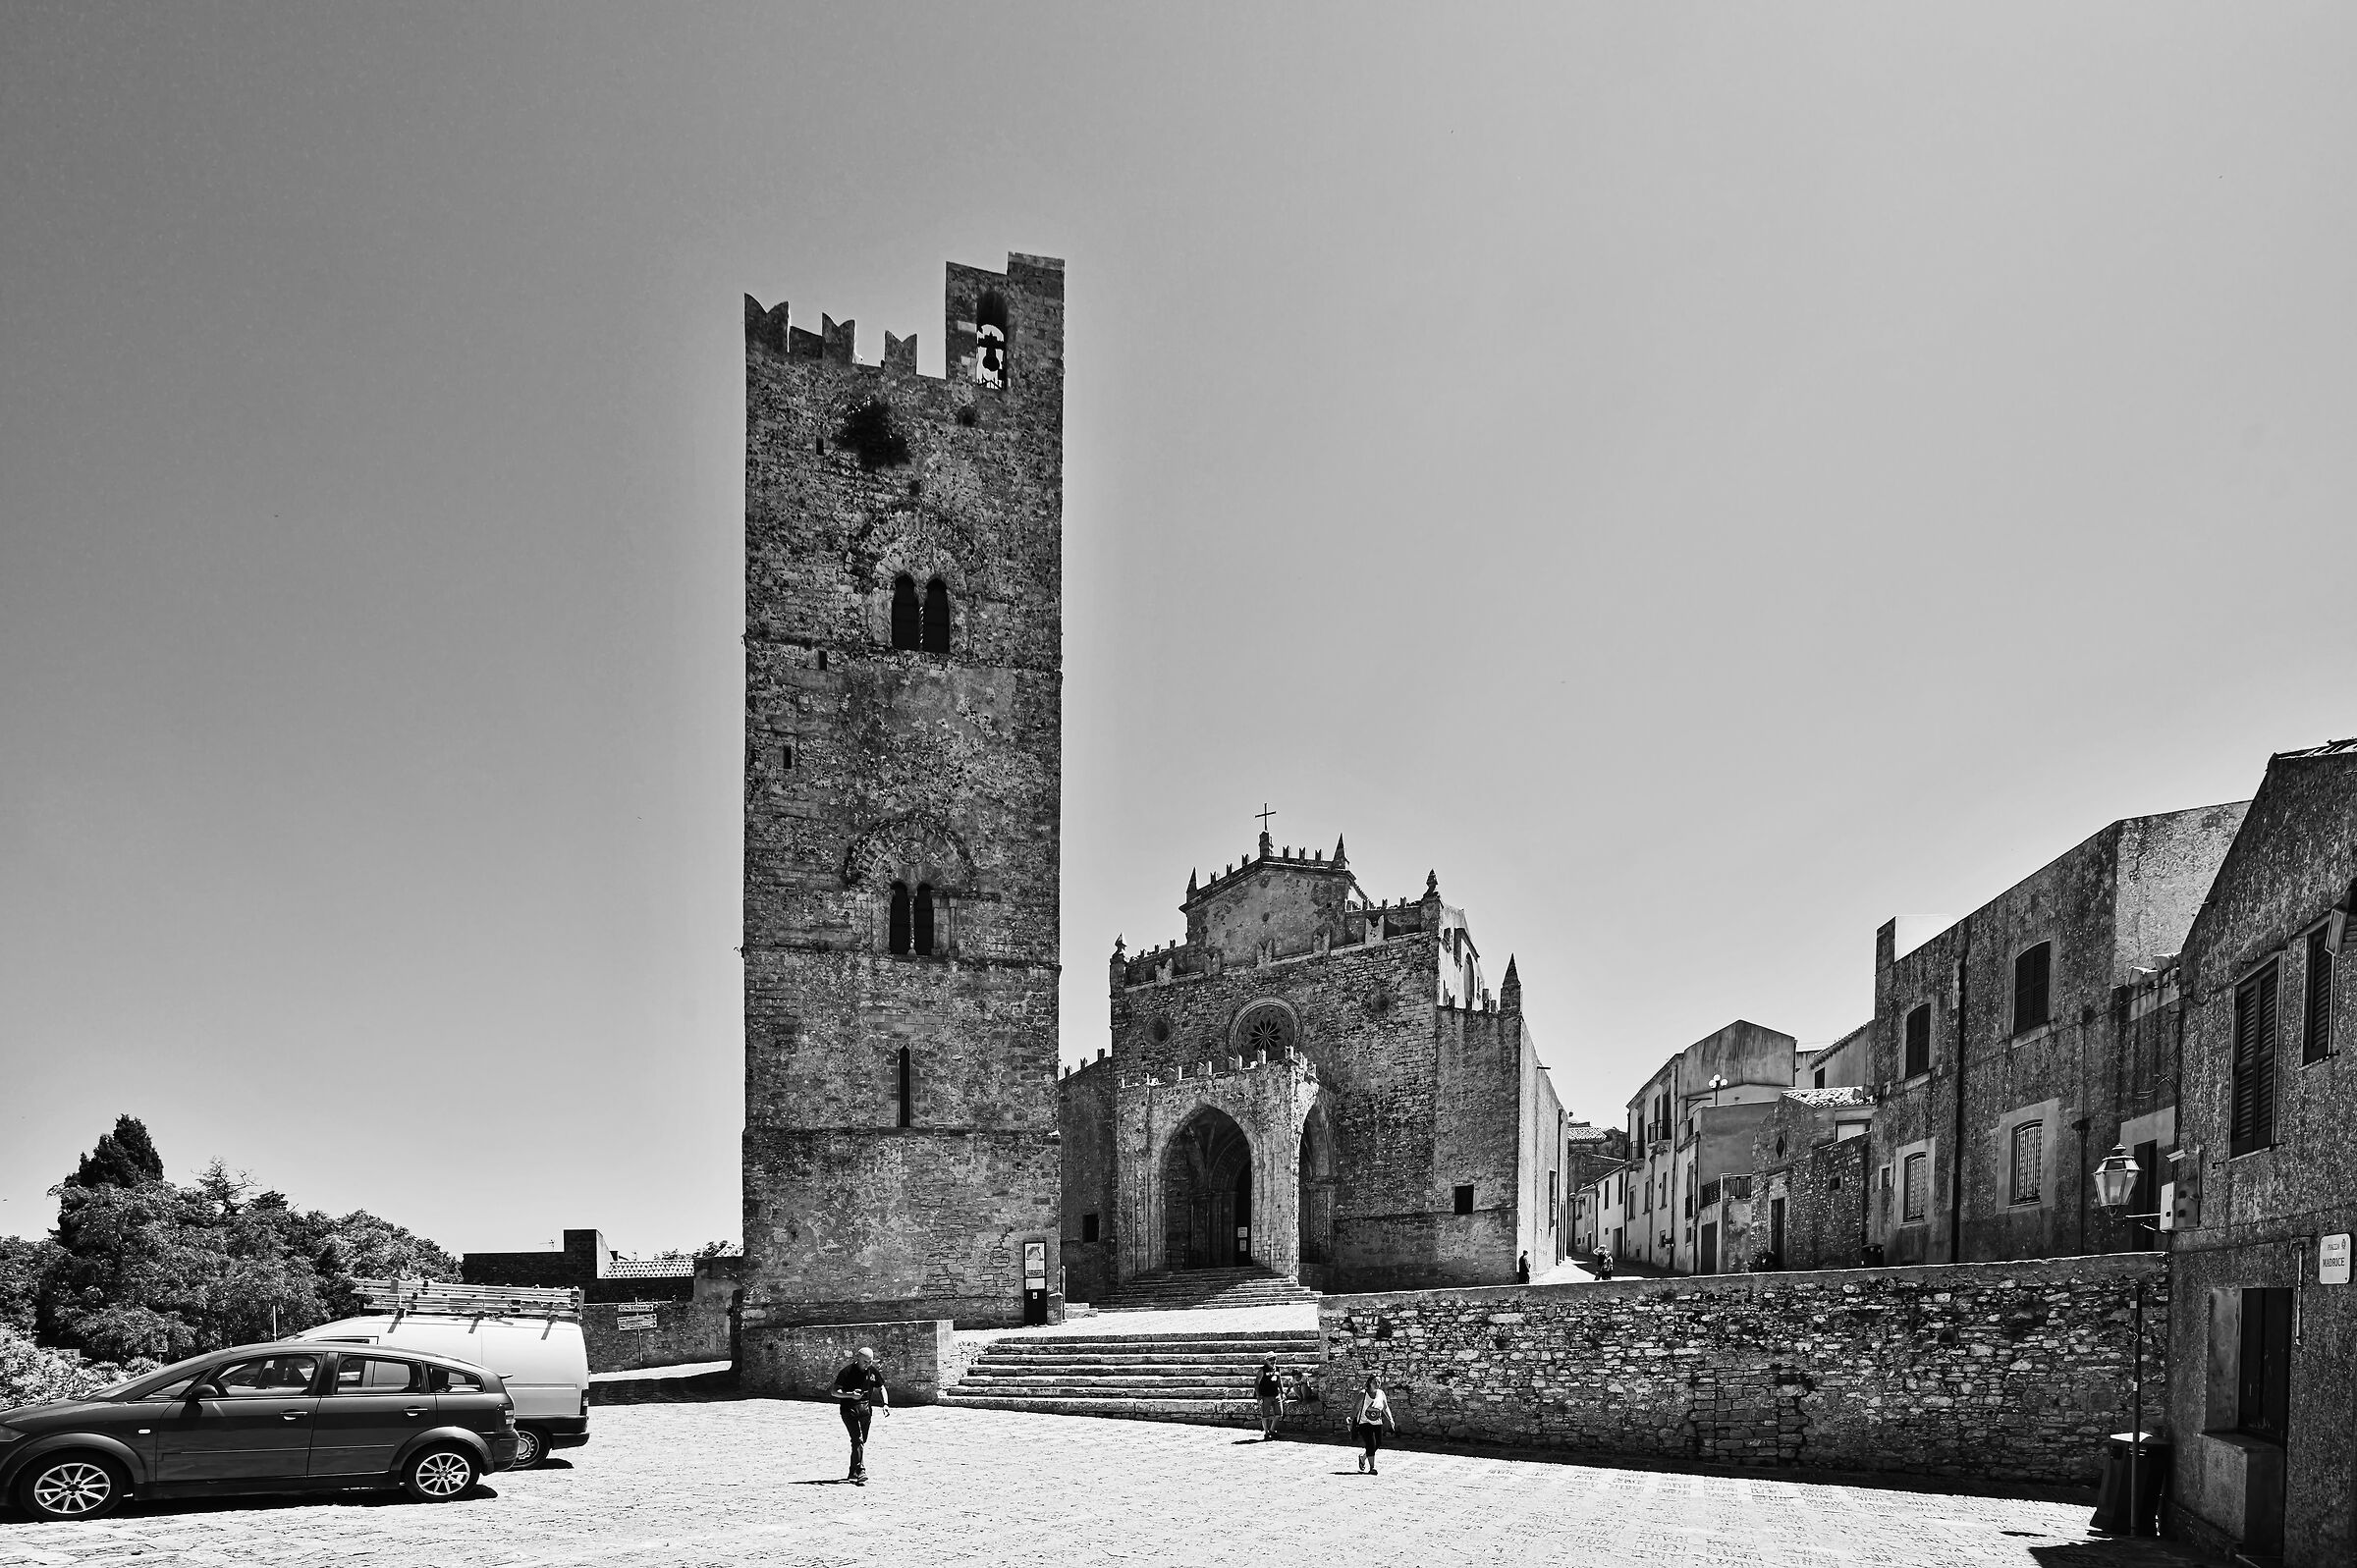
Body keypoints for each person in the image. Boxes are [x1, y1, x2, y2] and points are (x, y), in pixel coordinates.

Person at [830, 1345, 890, 1485]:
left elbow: (881, 1387)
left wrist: (885, 1404)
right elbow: (834, 1392)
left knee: (861, 1441)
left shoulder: (872, 1371)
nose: (868, 1365)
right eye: (865, 1362)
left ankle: (853, 1471)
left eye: (870, 1362)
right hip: (849, 1411)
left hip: (866, 1411)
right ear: (858, 1358)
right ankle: (861, 1470)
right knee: (857, 1440)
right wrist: (850, 1395)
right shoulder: (847, 1372)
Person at [1349, 1376, 1396, 1474]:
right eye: (1375, 1382)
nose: (1378, 1384)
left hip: (1377, 1423)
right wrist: (1351, 1419)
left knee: (1378, 1443)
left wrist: (1390, 1419)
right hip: (1364, 1422)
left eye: (1379, 1382)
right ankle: (1372, 1468)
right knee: (1371, 1443)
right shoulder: (1363, 1394)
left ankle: (1363, 1457)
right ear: (1369, 1382)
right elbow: (1356, 1408)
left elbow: (1385, 1407)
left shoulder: (1381, 1393)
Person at [1254, 1355, 1286, 1439]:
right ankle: (1266, 1432)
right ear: (1266, 1361)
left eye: (1274, 1359)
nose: (1272, 1361)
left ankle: (1272, 1430)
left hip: (1276, 1394)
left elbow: (1279, 1381)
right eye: (1270, 1359)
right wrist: (1258, 1396)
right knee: (1265, 1415)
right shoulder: (1262, 1370)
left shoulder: (1278, 1369)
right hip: (1265, 1396)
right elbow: (1257, 1383)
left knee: (1279, 1413)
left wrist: (1282, 1392)